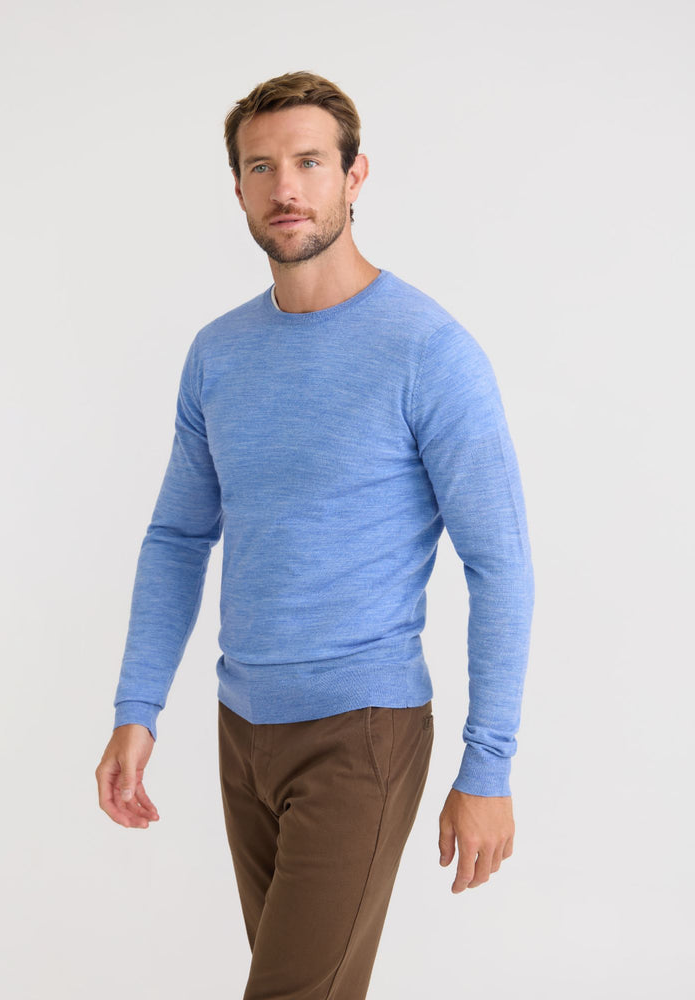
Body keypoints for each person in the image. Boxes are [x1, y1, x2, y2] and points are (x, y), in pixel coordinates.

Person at [95, 70, 535, 998]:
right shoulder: (218, 352)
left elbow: (499, 562)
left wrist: (488, 764)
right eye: (262, 167)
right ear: (239, 189)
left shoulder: (428, 351)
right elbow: (178, 536)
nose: (285, 187)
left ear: (354, 175)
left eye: (308, 161)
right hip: (242, 731)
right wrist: (138, 707)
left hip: (360, 733)